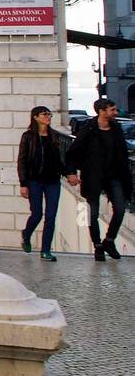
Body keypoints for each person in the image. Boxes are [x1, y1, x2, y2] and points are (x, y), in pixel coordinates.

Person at [67, 98, 133, 261]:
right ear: (102, 111)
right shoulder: (88, 128)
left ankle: (109, 240)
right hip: (93, 177)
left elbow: (122, 153)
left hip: (114, 176)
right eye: (113, 110)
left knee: (120, 209)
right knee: (93, 214)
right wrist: (71, 172)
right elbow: (73, 151)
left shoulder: (116, 127)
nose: (116, 113)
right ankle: (98, 246)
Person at [16, 107, 70, 262]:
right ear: (35, 117)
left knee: (51, 216)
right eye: (45, 114)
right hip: (34, 181)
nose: (48, 117)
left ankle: (45, 250)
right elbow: (22, 160)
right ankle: (26, 234)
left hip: (53, 180)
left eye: (49, 114)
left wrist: (68, 173)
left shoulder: (54, 136)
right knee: (37, 214)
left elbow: (59, 161)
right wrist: (23, 183)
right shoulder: (28, 137)